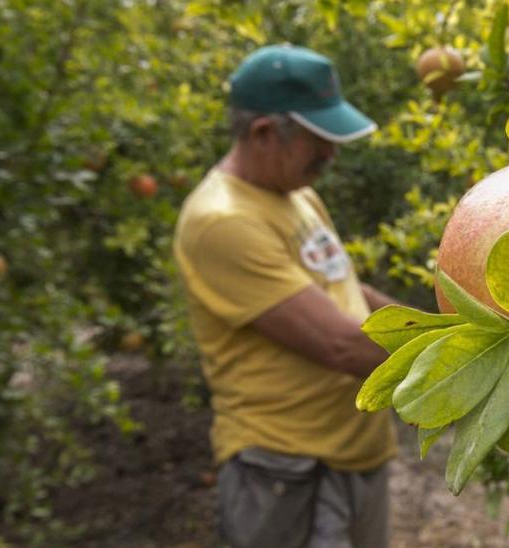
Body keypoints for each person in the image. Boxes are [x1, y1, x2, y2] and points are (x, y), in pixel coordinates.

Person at [173, 44, 400, 548]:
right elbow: (339, 344)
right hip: (288, 468)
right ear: (264, 133)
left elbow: (345, 288)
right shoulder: (222, 221)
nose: (331, 155)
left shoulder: (295, 192)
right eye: (320, 140)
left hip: (354, 453)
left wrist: (442, 329)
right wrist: (465, 365)